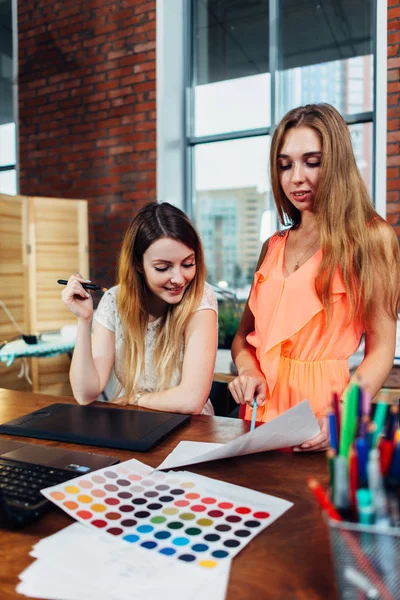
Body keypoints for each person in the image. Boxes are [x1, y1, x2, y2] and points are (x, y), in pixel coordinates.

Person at [229, 103, 400, 451]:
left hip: (322, 418)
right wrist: (248, 370)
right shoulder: (273, 245)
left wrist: (341, 415)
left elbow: (381, 352)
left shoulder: (372, 239)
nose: (295, 177)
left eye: (312, 161)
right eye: (285, 165)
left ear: (336, 163)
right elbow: (244, 339)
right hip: (256, 415)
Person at [62, 202, 218, 415]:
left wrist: (134, 399)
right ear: (137, 264)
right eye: (163, 267)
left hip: (191, 429)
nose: (179, 279)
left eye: (188, 264)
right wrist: (84, 319)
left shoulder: (200, 297)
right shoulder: (113, 302)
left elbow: (191, 401)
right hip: (135, 424)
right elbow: (85, 393)